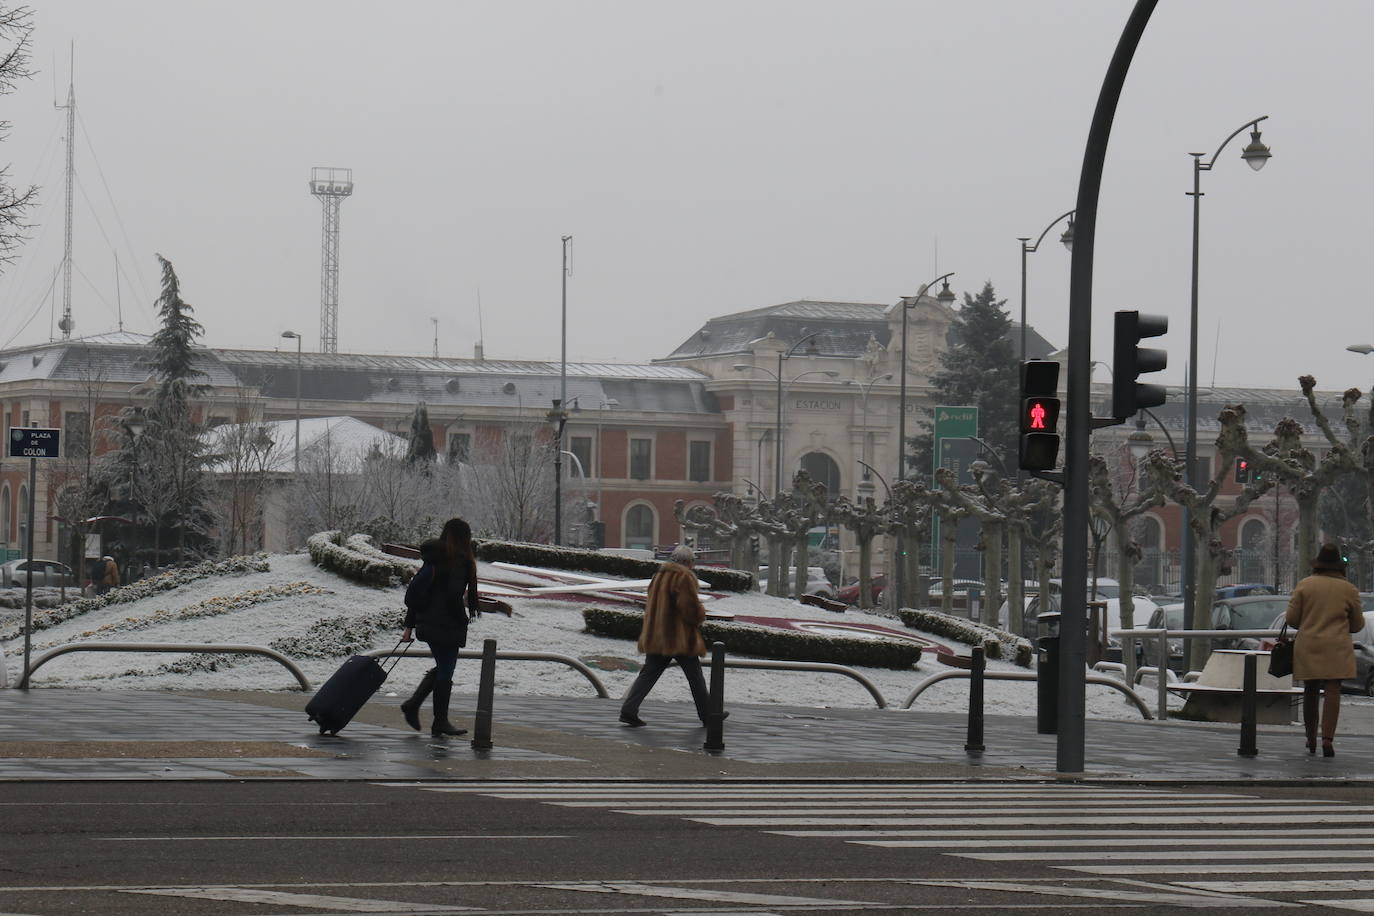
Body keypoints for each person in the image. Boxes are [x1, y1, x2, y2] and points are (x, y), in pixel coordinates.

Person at [619, 544, 721, 728]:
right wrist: (700, 615)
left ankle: (629, 709)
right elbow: (689, 608)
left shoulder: (658, 576)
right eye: (692, 563)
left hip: (657, 634)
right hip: (678, 636)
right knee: (695, 676)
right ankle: (708, 715)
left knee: (648, 674)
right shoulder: (683, 577)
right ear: (688, 563)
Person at [400, 518, 480, 737]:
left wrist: (409, 626)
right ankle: (439, 721)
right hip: (447, 625)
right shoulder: (460, 562)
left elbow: (418, 594)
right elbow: (454, 595)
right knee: (446, 670)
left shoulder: (434, 560)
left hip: (429, 623)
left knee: (444, 668)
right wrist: (461, 615)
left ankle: (415, 706)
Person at [1286, 543, 1363, 757]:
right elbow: (1357, 625)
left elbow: (1292, 619)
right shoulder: (1349, 589)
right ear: (1340, 567)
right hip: (1337, 646)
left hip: (1309, 645)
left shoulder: (1304, 586)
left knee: (1310, 691)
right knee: (1332, 691)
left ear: (1317, 565)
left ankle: (1310, 738)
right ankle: (1327, 739)